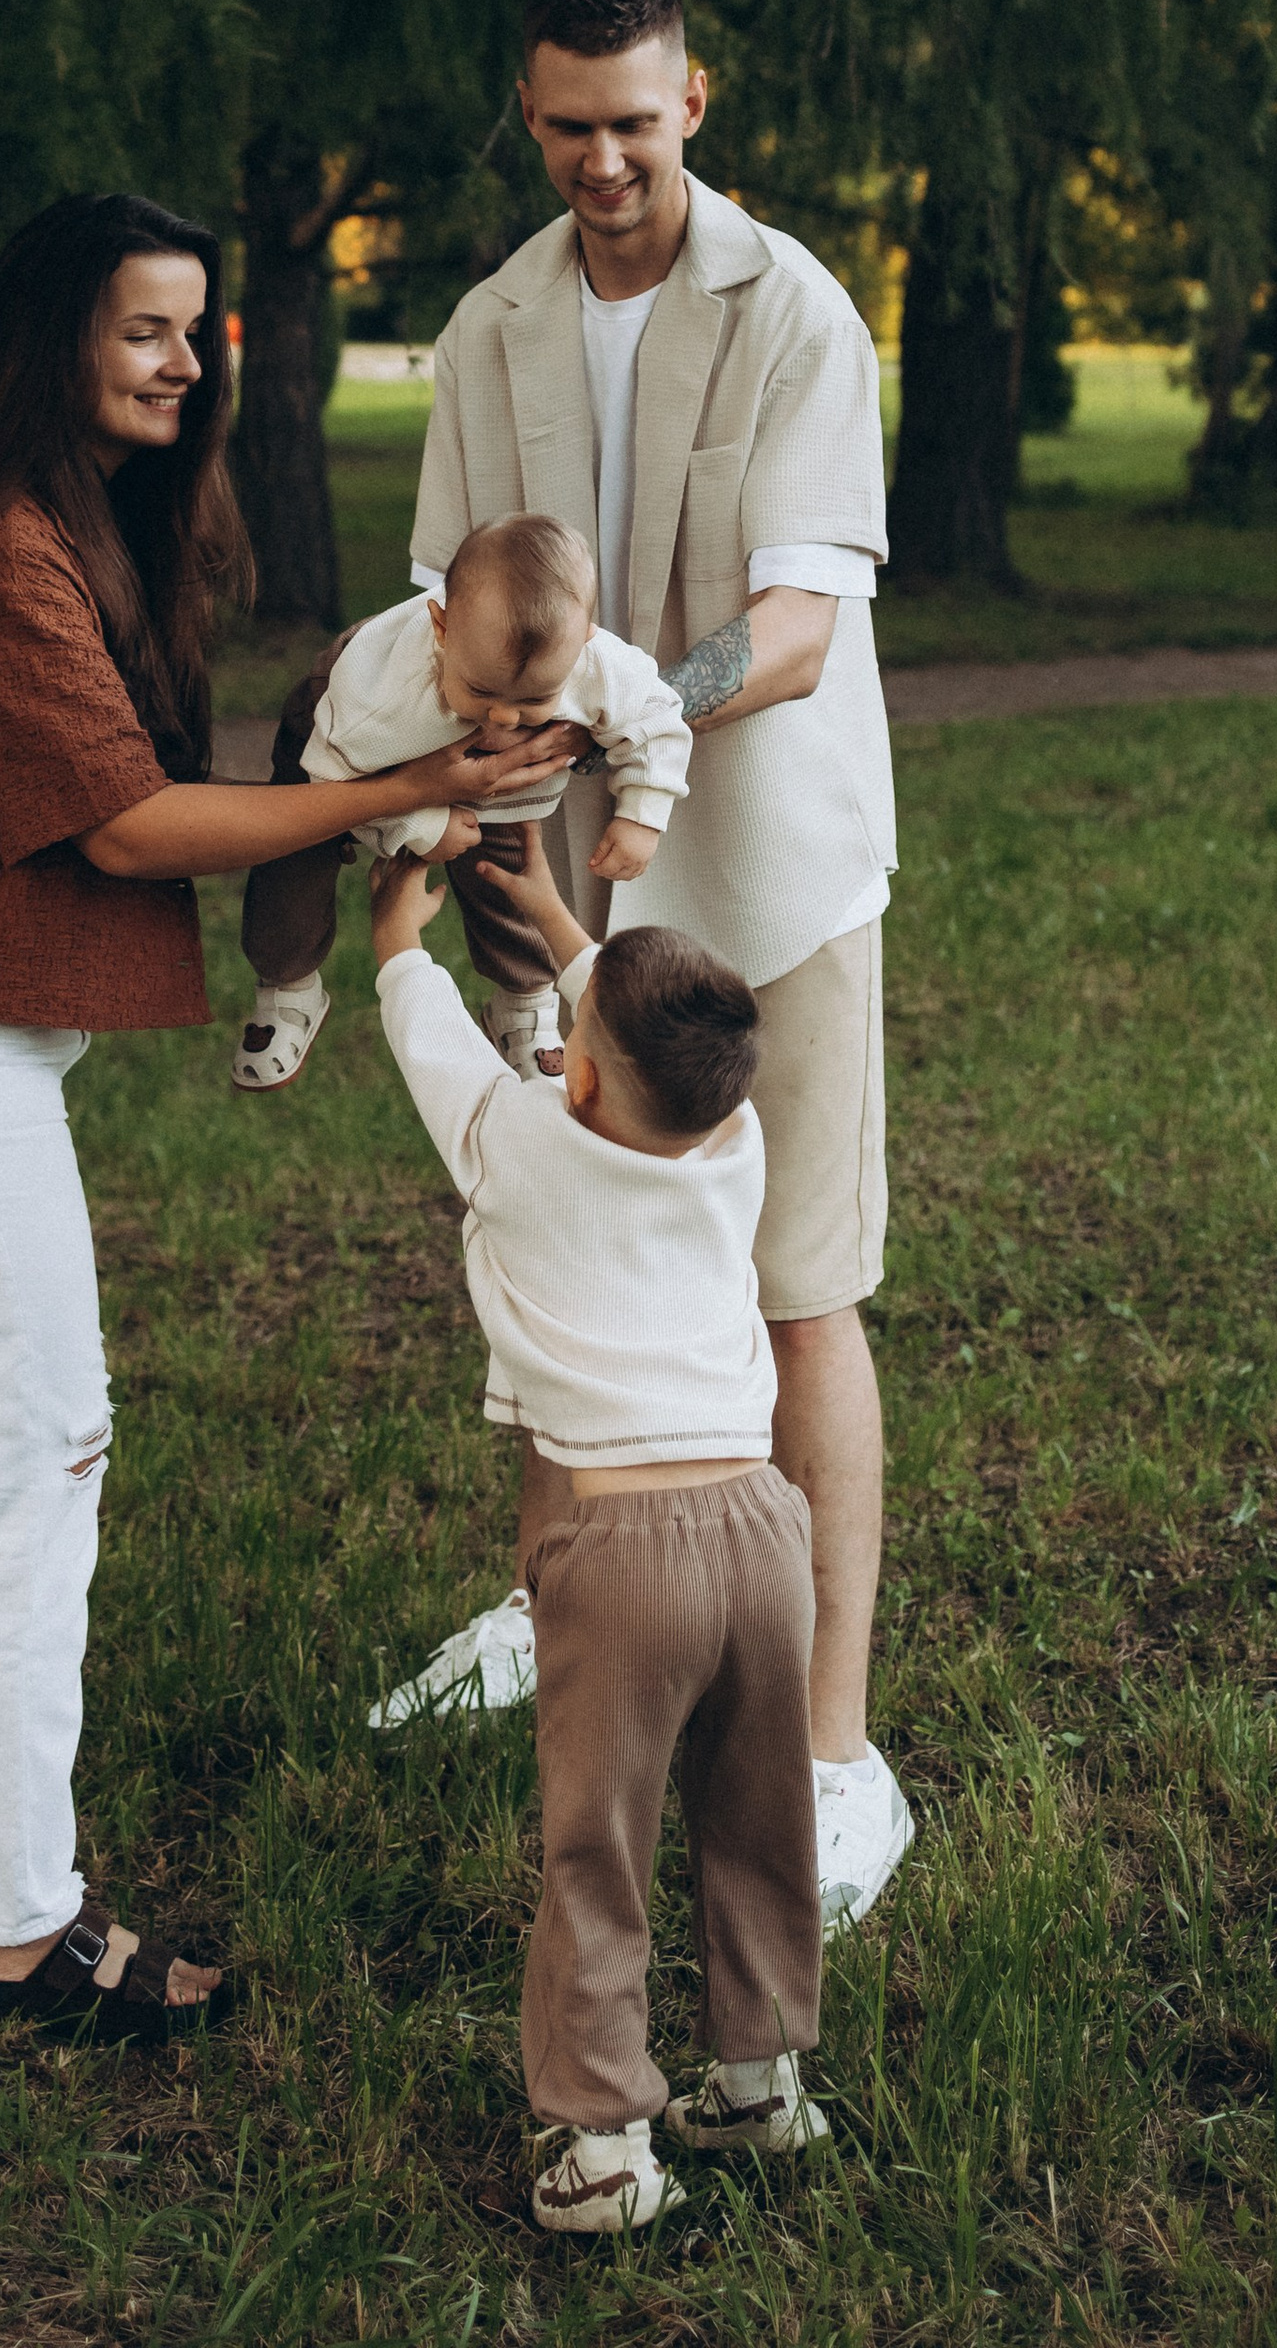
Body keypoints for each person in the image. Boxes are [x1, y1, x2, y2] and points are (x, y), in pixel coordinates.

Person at [0, 192, 562, 2048]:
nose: (190, 364)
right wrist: (414, 784)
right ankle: (14, 1941)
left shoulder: (81, 527)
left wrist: (386, 788)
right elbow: (122, 825)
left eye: (199, 331)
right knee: (40, 1463)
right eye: (147, 333)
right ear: (55, 344)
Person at [381, 0, 915, 1930]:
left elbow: (792, 627)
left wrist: (627, 706)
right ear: (524, 118)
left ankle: (836, 1751)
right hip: (549, 889)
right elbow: (442, 588)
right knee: (550, 1292)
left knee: (792, 1294)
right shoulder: (483, 325)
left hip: (760, 884)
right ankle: (561, 1620)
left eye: (633, 121)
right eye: (563, 127)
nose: (600, 162)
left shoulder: (792, 311)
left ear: (694, 102)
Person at [372, 824, 826, 2237]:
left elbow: (428, 1029)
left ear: (571, 1070)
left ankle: (605, 2147)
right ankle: (759, 2078)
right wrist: (570, 927)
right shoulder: (735, 1139)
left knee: (598, 1845)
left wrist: (396, 924)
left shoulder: (518, 1146)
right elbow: (642, 1045)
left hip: (623, 1558)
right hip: (765, 1533)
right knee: (759, 1816)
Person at [234, 510, 693, 1090]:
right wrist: (421, 826)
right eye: (482, 691)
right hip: (344, 754)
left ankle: (523, 1002)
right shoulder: (378, 698)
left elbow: (658, 718)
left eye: (535, 698)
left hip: (489, 779)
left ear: (585, 644)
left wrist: (642, 812)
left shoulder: (597, 665)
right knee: (297, 855)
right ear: (441, 628)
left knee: (511, 867)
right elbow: (331, 783)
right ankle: (288, 979)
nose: (505, 715)